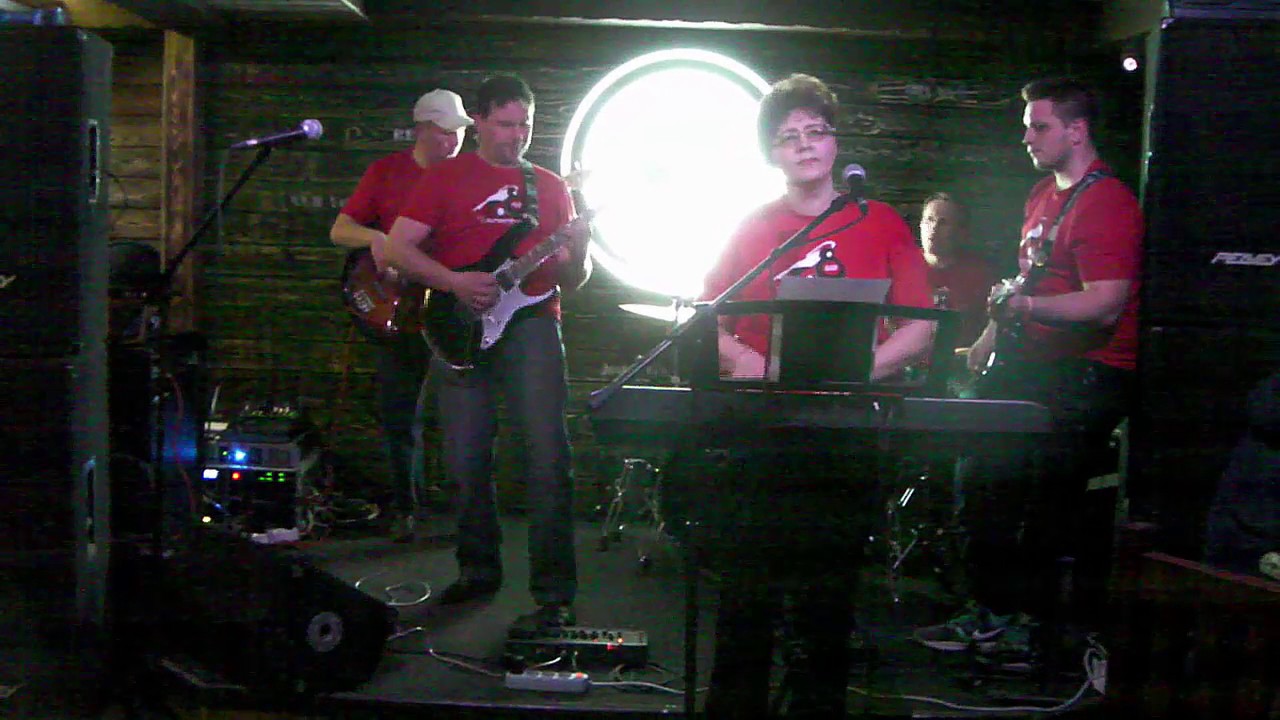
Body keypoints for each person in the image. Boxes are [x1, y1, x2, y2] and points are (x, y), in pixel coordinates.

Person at [698, 73, 934, 718]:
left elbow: (920, 327)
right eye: (789, 136)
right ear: (772, 154)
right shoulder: (752, 227)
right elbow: (706, 319)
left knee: (829, 600)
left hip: (845, 430)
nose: (805, 144)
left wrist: (859, 371)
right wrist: (750, 363)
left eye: (817, 131)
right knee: (747, 595)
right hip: (762, 428)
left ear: (834, 143)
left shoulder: (880, 222)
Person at [914, 77, 1143, 667]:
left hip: (1087, 371)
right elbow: (1028, 283)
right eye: (1026, 127)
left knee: (1043, 502)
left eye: (1040, 127)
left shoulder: (1106, 202)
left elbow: (1106, 302)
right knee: (980, 479)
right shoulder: (1043, 195)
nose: (1028, 138)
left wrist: (1024, 308)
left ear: (1077, 131)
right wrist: (991, 336)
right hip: (1036, 363)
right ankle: (991, 612)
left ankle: (1032, 630)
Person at [383, 74, 591, 628]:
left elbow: (575, 280)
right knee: (465, 458)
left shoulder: (550, 187)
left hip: (532, 320)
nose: (517, 135)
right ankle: (478, 571)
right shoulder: (444, 179)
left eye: (525, 124)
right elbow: (397, 249)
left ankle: (554, 592)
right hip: (459, 323)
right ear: (478, 122)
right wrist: (453, 282)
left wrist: (579, 250)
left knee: (549, 455)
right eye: (505, 124)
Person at [329, 88, 472, 542]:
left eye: (459, 133)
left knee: (457, 409)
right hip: (398, 308)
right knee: (399, 411)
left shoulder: (469, 177)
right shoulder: (387, 172)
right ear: (422, 129)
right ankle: (407, 506)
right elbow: (340, 230)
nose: (454, 141)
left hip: (448, 305)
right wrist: (377, 239)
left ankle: (456, 509)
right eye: (445, 132)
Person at [919, 192, 998, 349]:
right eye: (929, 220)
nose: (933, 228)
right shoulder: (899, 269)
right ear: (920, 225)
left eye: (943, 223)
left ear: (961, 232)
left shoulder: (981, 276)